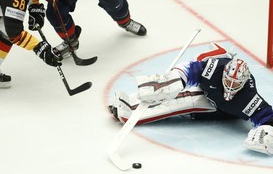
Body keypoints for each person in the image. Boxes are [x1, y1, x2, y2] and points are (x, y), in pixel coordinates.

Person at [108, 42, 273, 156]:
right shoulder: (214, 68)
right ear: (224, 73)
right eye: (228, 80)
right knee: (171, 90)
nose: (230, 86)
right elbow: (190, 69)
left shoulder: (248, 97)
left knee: (187, 101)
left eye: (235, 83)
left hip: (222, 109)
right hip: (210, 88)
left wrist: (266, 134)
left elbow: (267, 117)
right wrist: (172, 80)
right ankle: (129, 101)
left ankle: (128, 111)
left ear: (243, 82)